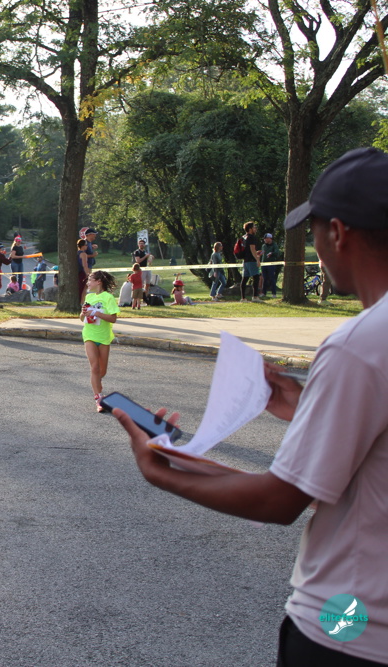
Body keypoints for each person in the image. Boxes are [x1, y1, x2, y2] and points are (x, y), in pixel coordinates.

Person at [112, 147, 388, 667]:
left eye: (313, 233)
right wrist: (312, 408)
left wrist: (161, 473)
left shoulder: (359, 346)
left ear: (339, 233)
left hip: (351, 628)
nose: (314, 248)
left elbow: (279, 501)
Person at [80, 270, 118, 413]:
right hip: (89, 335)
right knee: (95, 367)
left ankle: (97, 385)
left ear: (99, 282)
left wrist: (97, 313)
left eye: (90, 280)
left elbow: (113, 318)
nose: (87, 283)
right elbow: (81, 318)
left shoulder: (108, 297)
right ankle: (99, 398)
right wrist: (83, 313)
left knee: (102, 371)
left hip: (104, 337)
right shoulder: (89, 297)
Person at [239, 221, 262, 302]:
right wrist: (257, 259)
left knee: (244, 279)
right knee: (256, 278)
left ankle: (243, 298)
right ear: (250, 229)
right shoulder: (251, 237)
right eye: (254, 227)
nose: (255, 228)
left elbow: (248, 250)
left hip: (245, 261)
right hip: (252, 261)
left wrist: (256, 253)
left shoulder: (244, 237)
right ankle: (255, 297)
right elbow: (252, 249)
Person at [261, 233, 282, 297]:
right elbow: (263, 253)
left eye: (266, 238)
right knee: (264, 279)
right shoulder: (263, 246)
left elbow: (277, 253)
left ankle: (274, 293)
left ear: (270, 238)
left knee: (271, 278)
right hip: (264, 264)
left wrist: (272, 253)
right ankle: (263, 293)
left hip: (271, 264)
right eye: (264, 239)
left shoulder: (274, 245)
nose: (265, 240)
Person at [76, 239, 90, 303]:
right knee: (83, 289)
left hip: (76, 272)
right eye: (86, 245)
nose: (87, 246)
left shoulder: (76, 253)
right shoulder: (83, 254)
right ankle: (81, 302)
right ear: (83, 246)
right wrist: (88, 274)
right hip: (82, 273)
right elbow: (85, 265)